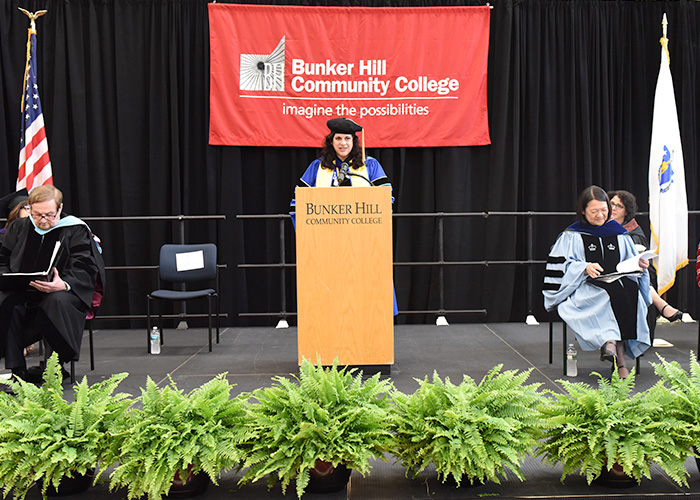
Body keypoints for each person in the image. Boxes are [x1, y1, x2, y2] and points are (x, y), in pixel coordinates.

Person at [290, 117, 397, 314]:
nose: (343, 143)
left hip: (363, 240)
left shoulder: (369, 166)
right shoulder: (318, 167)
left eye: (347, 139)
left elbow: (386, 198)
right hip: (326, 242)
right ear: (331, 141)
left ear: (354, 142)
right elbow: (298, 202)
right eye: (338, 139)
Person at [543, 186, 652, 379]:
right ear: (583, 211)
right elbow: (561, 266)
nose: (600, 215)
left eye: (604, 210)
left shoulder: (619, 233)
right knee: (605, 295)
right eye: (594, 211)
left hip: (617, 282)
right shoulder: (572, 235)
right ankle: (619, 359)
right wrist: (583, 267)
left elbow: (630, 261)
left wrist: (640, 264)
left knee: (629, 289)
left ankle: (610, 344)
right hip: (585, 286)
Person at [0, 185, 105, 382]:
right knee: (6, 302)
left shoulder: (75, 229)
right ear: (29, 207)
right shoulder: (19, 227)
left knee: (55, 301)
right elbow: (3, 261)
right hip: (24, 292)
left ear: (60, 208)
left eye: (49, 214)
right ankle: (17, 371)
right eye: (38, 214)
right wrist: (9, 279)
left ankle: (54, 368)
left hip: (61, 293)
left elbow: (85, 267)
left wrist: (63, 284)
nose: (44, 220)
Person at [607, 190, 683, 325]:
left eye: (619, 206)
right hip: (607, 271)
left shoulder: (634, 232)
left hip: (633, 271)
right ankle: (662, 305)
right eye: (612, 203)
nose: (614, 208)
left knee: (637, 274)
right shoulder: (600, 225)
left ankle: (662, 305)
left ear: (627, 211)